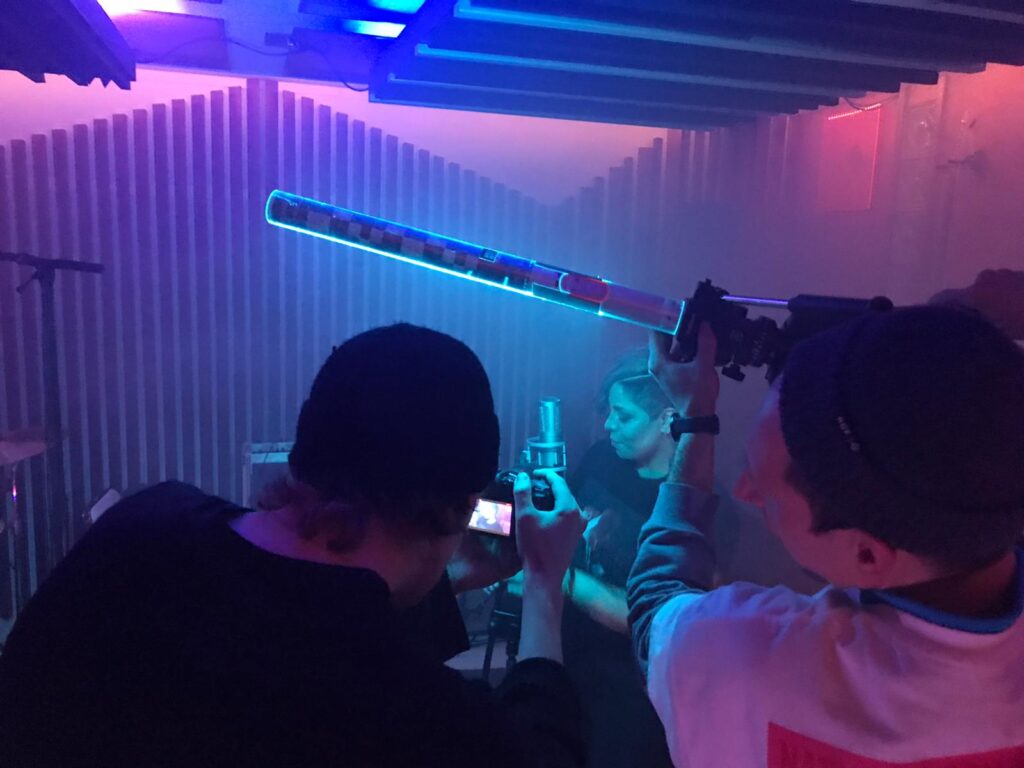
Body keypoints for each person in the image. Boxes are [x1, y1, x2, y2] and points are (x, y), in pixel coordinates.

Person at [0, 323, 586, 768]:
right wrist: (542, 585)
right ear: (461, 506)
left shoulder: (145, 522)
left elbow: (291, 616)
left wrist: (449, 574)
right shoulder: (403, 706)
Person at [628, 307, 1024, 767]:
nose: (742, 491)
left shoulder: (741, 661)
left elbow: (656, 603)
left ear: (868, 555)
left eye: (765, 491)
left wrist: (697, 417)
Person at [561, 351, 678, 768]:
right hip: (572, 658)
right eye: (609, 412)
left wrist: (556, 577)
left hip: (629, 690)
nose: (609, 425)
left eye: (623, 416)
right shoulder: (601, 457)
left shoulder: (681, 504)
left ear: (666, 420)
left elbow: (648, 619)